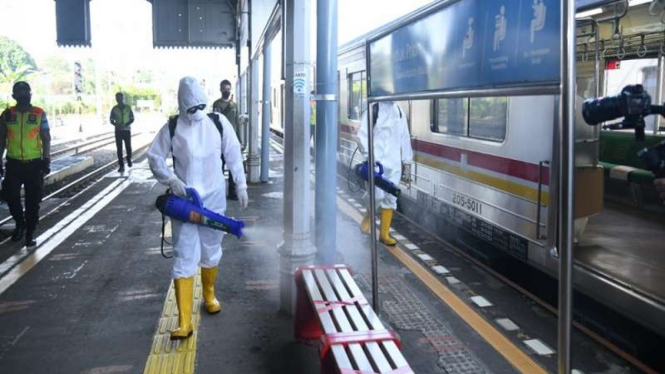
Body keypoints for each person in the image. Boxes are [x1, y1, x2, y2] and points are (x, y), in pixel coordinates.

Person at [148, 77, 248, 340]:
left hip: (214, 200)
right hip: (185, 204)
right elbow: (155, 157)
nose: (196, 112)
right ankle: (184, 322)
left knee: (212, 248)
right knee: (184, 254)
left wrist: (241, 184)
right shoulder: (172, 127)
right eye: (190, 108)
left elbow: (233, 152)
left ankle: (210, 295)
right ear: (182, 106)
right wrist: (171, 180)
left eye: (199, 106)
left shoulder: (217, 122)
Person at [0, 81, 51, 247]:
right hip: (14, 163)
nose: (22, 95)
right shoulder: (7, 115)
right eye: (19, 93)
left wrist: (46, 158)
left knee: (33, 201)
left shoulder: (39, 113)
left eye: (25, 92)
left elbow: (45, 137)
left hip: (34, 164)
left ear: (30, 94)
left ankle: (29, 233)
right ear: (14, 96)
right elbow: (1, 139)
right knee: (10, 195)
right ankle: (20, 223)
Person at [356, 101, 413, 246]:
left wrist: (407, 162)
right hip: (376, 162)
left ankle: (384, 234)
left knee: (391, 197)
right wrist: (369, 155)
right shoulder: (372, 109)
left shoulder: (399, 111)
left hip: (394, 163)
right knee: (376, 196)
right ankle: (369, 216)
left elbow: (405, 137)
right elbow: (362, 135)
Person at [212, 79, 240, 200]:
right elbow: (219, 118)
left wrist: (240, 139)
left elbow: (237, 122)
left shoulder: (235, 105)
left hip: (233, 140)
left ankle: (232, 192)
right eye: (224, 89)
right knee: (220, 167)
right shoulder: (217, 104)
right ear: (220, 89)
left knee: (233, 165)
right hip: (220, 139)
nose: (226, 91)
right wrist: (229, 107)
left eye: (228, 89)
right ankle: (218, 191)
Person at [110, 92, 134, 173]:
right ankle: (121, 165)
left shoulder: (128, 108)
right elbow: (111, 119)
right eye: (117, 98)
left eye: (120, 98)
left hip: (127, 130)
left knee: (128, 147)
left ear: (122, 98)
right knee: (119, 148)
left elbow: (132, 118)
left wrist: (126, 124)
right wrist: (116, 124)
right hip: (118, 131)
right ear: (116, 99)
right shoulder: (114, 109)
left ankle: (129, 159)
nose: (119, 100)